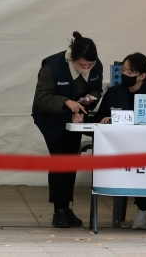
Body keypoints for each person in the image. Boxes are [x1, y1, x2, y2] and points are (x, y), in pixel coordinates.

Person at [92, 52, 146, 230]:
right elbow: (97, 121)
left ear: (142, 75)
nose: (124, 75)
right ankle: (142, 210)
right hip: (123, 147)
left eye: (130, 72)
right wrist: (106, 120)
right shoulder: (114, 92)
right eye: (123, 70)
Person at [32, 31, 103, 228]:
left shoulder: (97, 66)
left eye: (91, 65)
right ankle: (58, 209)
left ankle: (66, 206)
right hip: (51, 118)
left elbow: (97, 88)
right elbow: (42, 97)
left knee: (71, 160)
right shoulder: (52, 67)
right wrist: (67, 102)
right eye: (81, 65)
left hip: (76, 119)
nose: (86, 69)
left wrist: (90, 98)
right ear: (72, 58)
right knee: (59, 159)